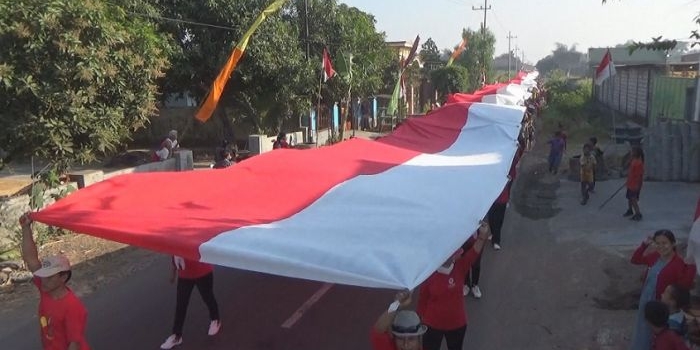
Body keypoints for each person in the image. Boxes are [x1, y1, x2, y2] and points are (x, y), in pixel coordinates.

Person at [19, 213, 90, 350]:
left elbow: (73, 345)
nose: (43, 281)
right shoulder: (46, 289)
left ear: (63, 278)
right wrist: (25, 228)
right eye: (44, 276)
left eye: (50, 277)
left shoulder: (73, 307)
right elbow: (31, 259)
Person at [418, 222, 490, 350]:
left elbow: (475, 251)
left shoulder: (460, 267)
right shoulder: (428, 274)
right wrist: (418, 324)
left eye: (451, 253)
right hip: (431, 325)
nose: (448, 257)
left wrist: (482, 235)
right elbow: (422, 302)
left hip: (457, 325)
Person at [630, 230, 696, 350]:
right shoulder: (655, 256)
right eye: (657, 243)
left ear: (673, 243)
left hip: (660, 306)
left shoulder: (679, 263)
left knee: (657, 336)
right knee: (642, 329)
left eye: (665, 243)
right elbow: (635, 259)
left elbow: (684, 286)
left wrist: (691, 267)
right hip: (646, 299)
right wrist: (644, 245)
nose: (661, 247)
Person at [160, 256, 221, 349]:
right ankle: (176, 336)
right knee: (181, 304)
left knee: (208, 298)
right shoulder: (177, 241)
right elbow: (174, 252)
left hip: (203, 272)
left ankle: (215, 320)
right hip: (184, 275)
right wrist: (173, 273)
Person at [625, 147, 645, 221]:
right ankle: (630, 210)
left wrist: (637, 185)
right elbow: (627, 167)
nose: (631, 152)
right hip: (630, 183)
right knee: (629, 198)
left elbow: (639, 176)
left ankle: (638, 213)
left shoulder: (639, 163)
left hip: (635, 184)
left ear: (636, 153)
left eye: (633, 151)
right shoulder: (633, 161)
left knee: (633, 199)